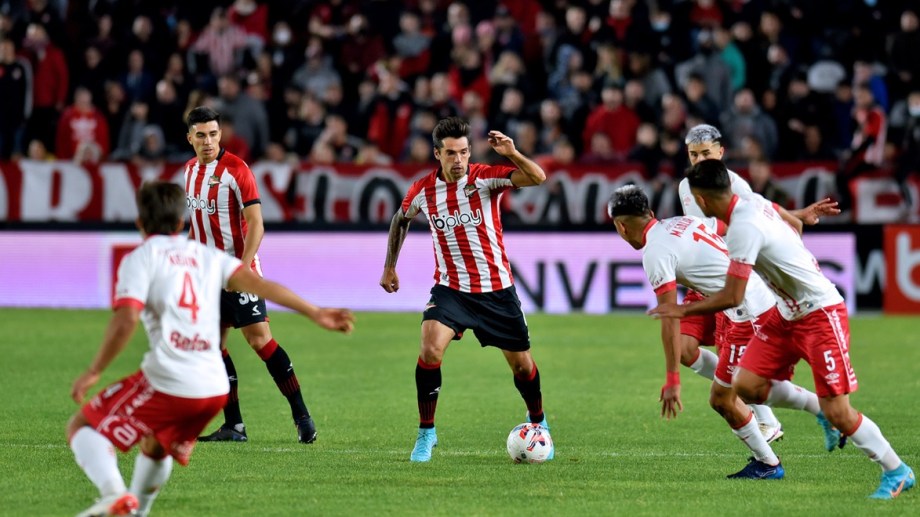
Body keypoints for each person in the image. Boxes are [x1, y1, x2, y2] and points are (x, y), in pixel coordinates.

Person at [67, 182, 354, 517]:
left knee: (82, 427)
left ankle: (114, 495)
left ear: (139, 222)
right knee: (156, 445)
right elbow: (261, 285)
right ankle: (135, 511)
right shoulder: (208, 256)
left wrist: (94, 370)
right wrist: (315, 312)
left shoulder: (140, 259)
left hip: (170, 381)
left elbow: (127, 318)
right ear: (182, 222)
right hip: (213, 390)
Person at [650, 159, 915, 500]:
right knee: (746, 385)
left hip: (820, 312)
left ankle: (896, 470)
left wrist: (681, 309)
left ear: (701, 200)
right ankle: (818, 409)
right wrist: (796, 236)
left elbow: (733, 295)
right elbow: (793, 223)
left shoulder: (743, 229)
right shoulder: (754, 202)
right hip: (786, 312)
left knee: (839, 411)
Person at [609, 185, 842, 479]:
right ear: (651, 213)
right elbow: (738, 220)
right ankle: (783, 439)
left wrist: (672, 380)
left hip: (749, 311)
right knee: (732, 381)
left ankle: (780, 451)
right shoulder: (685, 222)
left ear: (621, 227)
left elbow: (670, 317)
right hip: (746, 300)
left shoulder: (655, 253)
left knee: (727, 397)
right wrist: (795, 215)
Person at [379, 117, 551, 462]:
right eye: (450, 153)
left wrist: (512, 153)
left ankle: (539, 422)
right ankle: (426, 433)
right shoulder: (423, 190)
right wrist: (389, 265)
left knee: (522, 367)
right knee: (430, 348)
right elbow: (401, 219)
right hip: (451, 289)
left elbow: (537, 177)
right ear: (437, 154)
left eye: (463, 152)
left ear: (470, 151)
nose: (458, 160)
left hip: (496, 290)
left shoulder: (484, 179)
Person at [183, 106, 316, 444]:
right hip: (207, 275)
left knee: (260, 341)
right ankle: (234, 426)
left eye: (213, 134)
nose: (208, 141)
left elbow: (256, 224)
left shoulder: (237, 170)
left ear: (220, 135)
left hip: (238, 269)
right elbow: (197, 226)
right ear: (190, 138)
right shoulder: (188, 172)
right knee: (213, 345)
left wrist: (242, 267)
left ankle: (301, 416)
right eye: (201, 135)